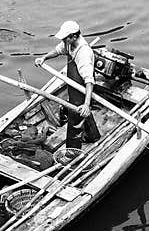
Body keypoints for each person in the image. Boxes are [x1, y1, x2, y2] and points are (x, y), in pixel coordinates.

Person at [35, 20, 101, 150]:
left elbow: (89, 81)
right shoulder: (69, 43)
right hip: (73, 85)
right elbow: (57, 50)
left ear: (74, 36)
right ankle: (93, 136)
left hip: (82, 87)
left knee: (75, 118)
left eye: (66, 39)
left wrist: (87, 104)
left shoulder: (84, 53)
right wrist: (44, 58)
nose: (64, 41)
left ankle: (72, 152)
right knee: (82, 112)